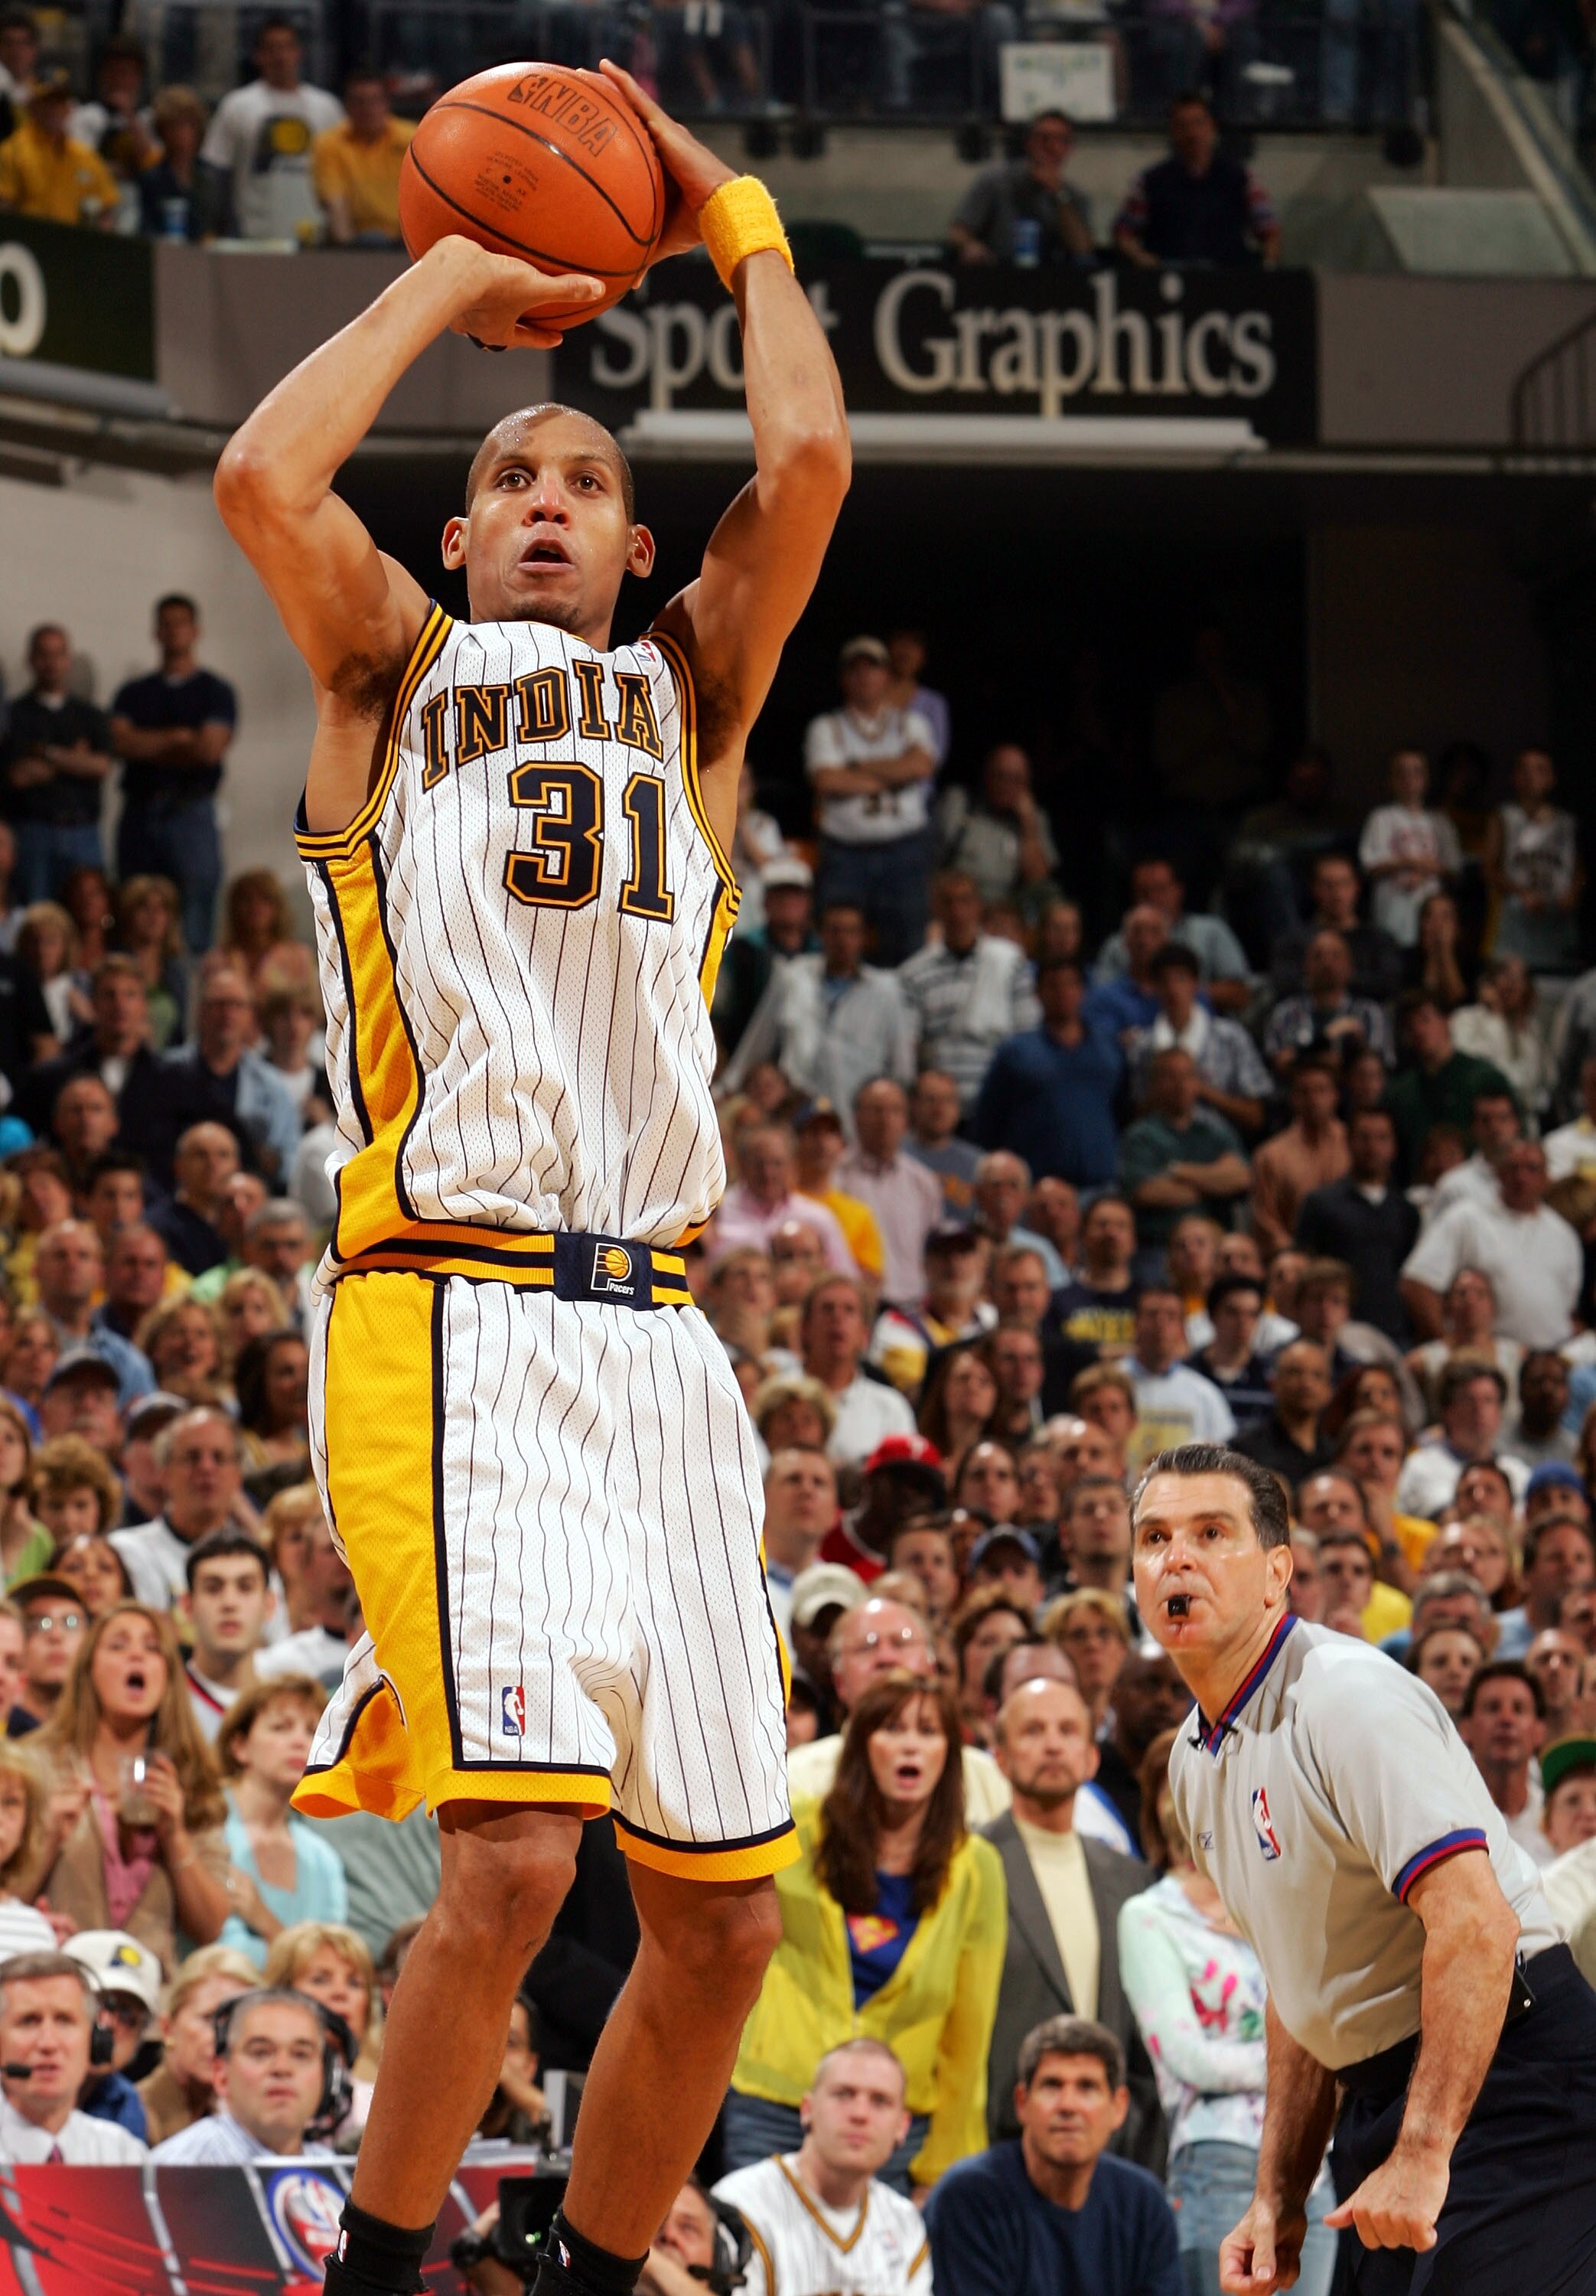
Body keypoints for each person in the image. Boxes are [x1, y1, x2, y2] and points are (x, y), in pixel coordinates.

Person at [214, 72, 854, 2296]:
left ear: (636, 547)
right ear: (464, 538)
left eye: (587, 481)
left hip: (659, 1343)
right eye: (512, 480)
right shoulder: (390, 669)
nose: (552, 502)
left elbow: (804, 465)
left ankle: (586, 2274)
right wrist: (456, 273)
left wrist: (732, 206)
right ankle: (378, 2275)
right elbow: (260, 475)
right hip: (456, 1306)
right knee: (504, 1866)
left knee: (725, 1918)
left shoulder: (691, 696)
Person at [1130, 1442, 1596, 2296]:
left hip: (1511, 2081)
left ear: (1277, 1574)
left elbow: (1476, 1924)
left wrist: (1423, 2150)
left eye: (1211, 1532)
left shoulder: (1346, 1698)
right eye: (1155, 1538)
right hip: (1384, 2097)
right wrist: (1278, 2193)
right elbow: (1299, 1986)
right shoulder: (1192, 1762)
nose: (1178, 1558)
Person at [726, 1671, 1005, 2191]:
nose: (911, 1746)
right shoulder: (793, 1829)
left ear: (950, 1753)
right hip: (775, 2103)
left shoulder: (976, 1868)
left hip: (894, 2122)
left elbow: (970, 2032)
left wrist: (942, 2170)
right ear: (860, 1744)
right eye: (892, 1729)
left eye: (928, 1731)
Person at [1119, 1727, 1337, 2296]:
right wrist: (1303, 2067)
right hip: (1219, 2157)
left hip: (1315, 2160)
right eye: (1176, 1786)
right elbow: (1189, 2058)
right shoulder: (1149, 1918)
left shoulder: (1277, 1900)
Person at [983, 1679, 1159, 2161]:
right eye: (1033, 1731)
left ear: (1091, 1758)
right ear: (1000, 1758)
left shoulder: (1132, 1880)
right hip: (999, 2145)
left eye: (1067, 1731)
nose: (1053, 1744)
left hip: (1113, 2152)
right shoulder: (970, 1863)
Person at [28, 1601, 230, 1969]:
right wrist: (50, 1836)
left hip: (153, 1992)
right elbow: (8, 1897)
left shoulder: (192, 1778)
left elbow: (211, 1927)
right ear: (88, 1670)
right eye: (118, 1645)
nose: (136, 1655)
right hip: (57, 1981)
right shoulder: (36, 1766)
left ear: (168, 1677)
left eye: (152, 1648)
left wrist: (175, 1836)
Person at [924, 2012, 1181, 2294]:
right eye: (1052, 2086)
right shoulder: (969, 2197)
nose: (1068, 2105)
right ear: (1022, 2103)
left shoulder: (1143, 2204)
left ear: (1118, 2107)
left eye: (1087, 2087)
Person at [714, 2038, 932, 2294]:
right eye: (843, 2094)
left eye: (880, 2101)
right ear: (808, 2109)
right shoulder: (742, 2204)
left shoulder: (904, 2223)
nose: (860, 2114)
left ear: (903, 2127)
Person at [109, 594, 236, 956]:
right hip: (140, 813)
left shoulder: (216, 692)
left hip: (192, 815)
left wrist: (147, 742)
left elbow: (209, 749)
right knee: (134, 913)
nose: (174, 631)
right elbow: (119, 743)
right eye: (166, 623)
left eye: (181, 623)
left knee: (195, 917)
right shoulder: (133, 693)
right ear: (156, 631)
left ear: (195, 631)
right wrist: (178, 738)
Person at [804, 638, 937, 968]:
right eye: (855, 669)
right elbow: (827, 780)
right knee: (838, 939)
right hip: (845, 853)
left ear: (887, 677)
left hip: (905, 850)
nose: (864, 676)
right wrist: (895, 774)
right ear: (843, 679)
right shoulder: (826, 727)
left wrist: (856, 766)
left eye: (873, 668)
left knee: (909, 941)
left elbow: (922, 766)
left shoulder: (911, 724)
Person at [216, 1675, 348, 1965]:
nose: (300, 1741)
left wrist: (266, 1922)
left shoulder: (323, 1860)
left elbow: (327, 1968)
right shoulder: (203, 1824)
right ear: (240, 1746)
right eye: (281, 1728)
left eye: (312, 1731)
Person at [1401, 1138, 1581, 1352]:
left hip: (1551, 1356)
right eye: (1514, 1168)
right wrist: (1449, 1345)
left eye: (1532, 1169)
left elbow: (1569, 1307)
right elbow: (1417, 1283)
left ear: (1546, 1178)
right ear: (1499, 1174)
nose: (1521, 1177)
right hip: (1488, 1359)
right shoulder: (1467, 1218)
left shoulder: (1563, 1234)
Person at [972, 960, 1122, 1192]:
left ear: (1083, 990)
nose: (1062, 992)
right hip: (1037, 1189)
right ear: (1037, 993)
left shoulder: (1108, 1048)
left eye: (1070, 984)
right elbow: (988, 1122)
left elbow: (1123, 1109)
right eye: (1053, 985)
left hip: (1100, 1186)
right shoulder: (1017, 1052)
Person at [899, 869, 1040, 1113]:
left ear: (978, 907)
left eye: (965, 901)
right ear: (935, 908)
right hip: (938, 1106)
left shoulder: (1009, 961)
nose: (957, 912)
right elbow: (907, 1047)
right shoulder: (914, 973)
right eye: (948, 902)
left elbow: (1028, 1033)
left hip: (1000, 1098)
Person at [151, 1985, 338, 2164]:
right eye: (260, 2053)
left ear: (325, 2075)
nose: (282, 2068)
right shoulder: (173, 2169)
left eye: (301, 2055)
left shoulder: (341, 2173)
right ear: (221, 2075)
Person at [0, 622, 112, 901]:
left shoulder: (90, 715)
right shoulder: (14, 715)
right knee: (35, 912)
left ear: (68, 659)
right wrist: (75, 759)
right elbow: (18, 775)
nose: (51, 663)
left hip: (83, 833)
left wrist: (46, 754)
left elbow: (101, 766)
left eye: (58, 654)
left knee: (87, 911)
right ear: (31, 659)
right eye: (43, 654)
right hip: (33, 833)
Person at [0, 1952, 148, 2162]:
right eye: (29, 2021)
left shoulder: (123, 2154)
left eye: (64, 2020)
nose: (48, 2043)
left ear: (93, 2040)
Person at [1294, 1107, 1418, 1344]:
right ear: (1348, 1142)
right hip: (1337, 1332)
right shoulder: (1321, 1204)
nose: (1373, 1147)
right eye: (1364, 1138)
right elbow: (1305, 1269)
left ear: (1394, 1146)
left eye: (1382, 1138)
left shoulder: (1406, 1212)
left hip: (1396, 1334)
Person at [1113, 94, 1278, 267]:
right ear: (1173, 131)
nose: (1192, 133)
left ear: (1211, 126)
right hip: (1170, 275)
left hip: (1227, 275)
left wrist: (1268, 267)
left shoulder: (1241, 178)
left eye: (1198, 123)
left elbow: (1270, 231)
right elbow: (1124, 233)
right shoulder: (1150, 182)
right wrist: (1143, 260)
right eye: (1183, 126)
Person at [1119, 1050, 1251, 1264]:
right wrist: (1214, 1184)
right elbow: (1146, 1192)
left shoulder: (1216, 1132)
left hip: (1217, 1246)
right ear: (1155, 1085)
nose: (1181, 1085)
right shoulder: (1140, 1136)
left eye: (1188, 1076)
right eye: (1171, 1077)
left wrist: (1178, 1171)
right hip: (1159, 1248)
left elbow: (1242, 1178)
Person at [1126, 945, 1269, 1138]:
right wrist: (1165, 1091)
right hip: (1160, 1148)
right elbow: (1137, 1117)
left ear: (1195, 984)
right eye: (1164, 981)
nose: (1172, 989)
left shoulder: (1231, 1037)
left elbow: (1255, 1117)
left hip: (1219, 1147)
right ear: (1155, 988)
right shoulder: (1143, 1047)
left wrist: (1202, 1090)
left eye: (1180, 978)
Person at [135, 1940, 259, 2146]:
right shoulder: (135, 2114)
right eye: (209, 2019)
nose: (224, 2038)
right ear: (167, 2028)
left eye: (237, 2023)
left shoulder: (247, 2117)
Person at [948, 107, 1093, 264]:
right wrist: (969, 245)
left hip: (1050, 274)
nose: (1051, 147)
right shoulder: (994, 180)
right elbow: (959, 230)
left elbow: (1082, 249)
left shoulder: (1073, 195)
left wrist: (1059, 194)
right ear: (1029, 142)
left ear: (1069, 148)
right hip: (997, 270)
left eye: (1061, 140)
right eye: (1044, 139)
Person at [1123, 1288, 1236, 1471]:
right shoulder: (1110, 1383)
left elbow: (1227, 1455)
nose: (1161, 1324)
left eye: (1171, 1317)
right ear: (1135, 1324)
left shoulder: (1205, 1393)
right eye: (1152, 1315)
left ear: (1183, 1328)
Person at [179, 1526, 274, 1740]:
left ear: (269, 1605)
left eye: (245, 1587)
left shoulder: (289, 1708)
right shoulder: (161, 1703)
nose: (229, 1603)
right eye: (213, 1588)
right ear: (187, 1606)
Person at [1262, 928, 1392, 1081]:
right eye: (1318, 956)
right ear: (1305, 967)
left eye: (1336, 956)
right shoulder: (1285, 1013)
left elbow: (1378, 1069)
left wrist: (1303, 1057)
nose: (1327, 963)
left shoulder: (1369, 1013)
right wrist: (1327, 1039)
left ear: (1350, 967)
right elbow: (1280, 1064)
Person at [0, 68, 118, 224]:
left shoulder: (84, 155)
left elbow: (106, 211)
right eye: (47, 102)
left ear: (68, 109)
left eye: (59, 102)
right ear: (32, 107)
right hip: (25, 237)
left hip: (70, 238)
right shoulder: (12, 150)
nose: (54, 110)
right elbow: (4, 208)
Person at [313, 66, 412, 245]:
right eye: (359, 102)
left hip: (406, 241)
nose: (367, 109)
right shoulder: (329, 144)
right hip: (355, 242)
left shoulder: (412, 140)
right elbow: (335, 204)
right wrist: (348, 250)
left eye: (374, 101)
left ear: (386, 103)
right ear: (347, 106)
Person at [1232, 1342, 1334, 1486]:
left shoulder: (1335, 1454)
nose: (1306, 1383)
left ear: (1329, 1390)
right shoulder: (1245, 1450)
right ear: (1274, 1383)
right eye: (1295, 1372)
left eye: (1317, 1375)